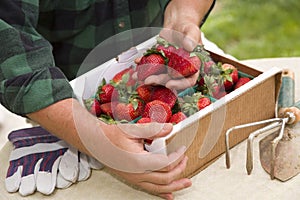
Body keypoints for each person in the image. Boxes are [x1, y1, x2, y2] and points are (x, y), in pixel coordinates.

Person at [0, 0, 215, 199]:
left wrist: (184, 15)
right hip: (63, 98)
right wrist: (93, 138)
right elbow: (9, 45)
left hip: (159, 50)